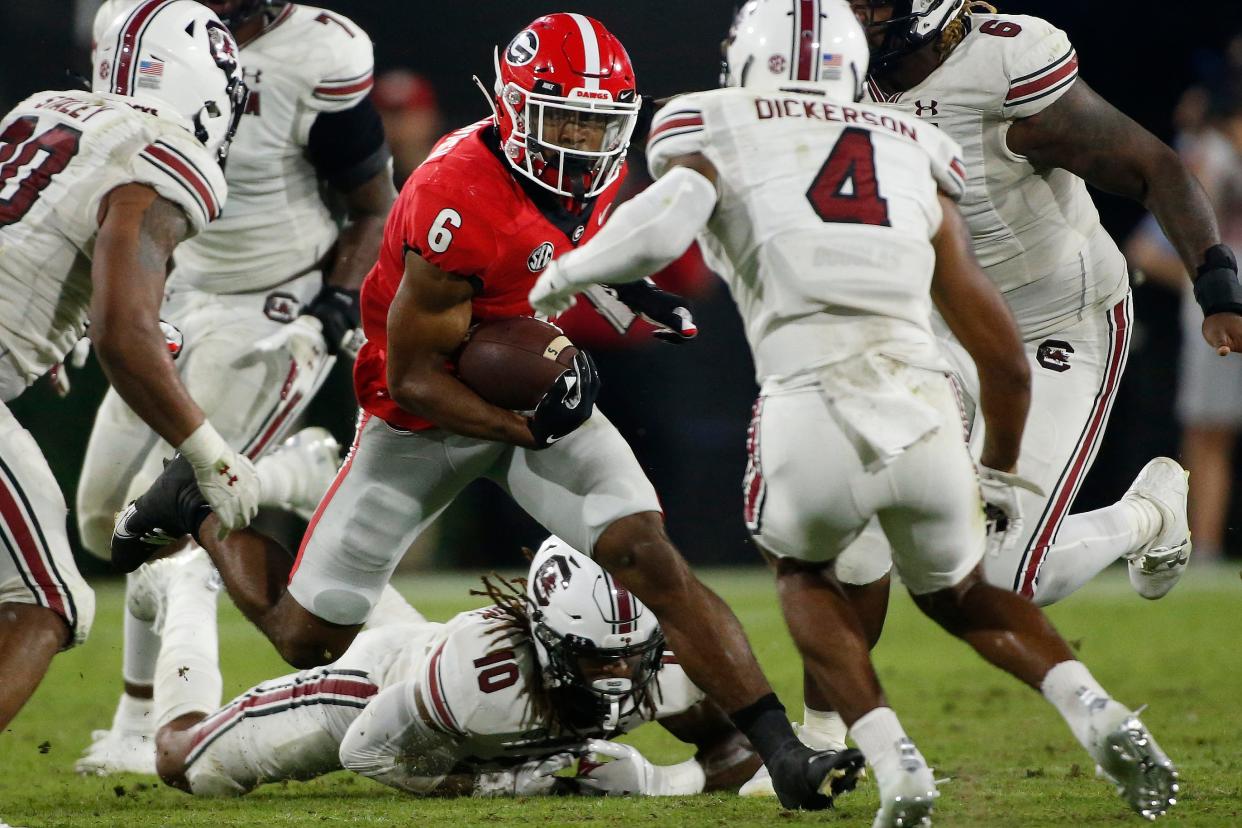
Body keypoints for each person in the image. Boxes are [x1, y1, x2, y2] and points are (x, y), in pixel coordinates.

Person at [110, 13, 862, 811]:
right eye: (563, 118)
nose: (579, 140)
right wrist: (522, 429)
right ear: (512, 105)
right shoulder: (451, 197)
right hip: (419, 415)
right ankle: (199, 508)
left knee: (650, 556)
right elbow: (413, 379)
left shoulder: (589, 169)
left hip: (523, 386)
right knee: (307, 638)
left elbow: (565, 248)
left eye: (596, 123)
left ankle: (782, 751)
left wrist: (624, 291)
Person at [528, 1, 1179, 824]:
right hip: (922, 403)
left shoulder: (712, 121)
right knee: (969, 592)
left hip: (810, 406)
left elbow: (665, 224)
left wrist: (570, 273)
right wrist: (999, 470)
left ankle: (891, 757)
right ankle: (1098, 712)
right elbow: (1001, 354)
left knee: (809, 576)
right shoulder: (914, 146)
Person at [737, 0, 1239, 784]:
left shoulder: (1004, 67)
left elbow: (1152, 166)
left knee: (1003, 576)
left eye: (872, 3)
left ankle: (1149, 512)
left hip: (1055, 324)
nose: (852, 16)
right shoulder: (831, 74)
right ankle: (824, 733)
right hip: (932, 329)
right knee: (855, 513)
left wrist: (1217, 279)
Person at [76, 0, 396, 775]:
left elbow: (373, 204)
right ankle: (300, 470)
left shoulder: (320, 51)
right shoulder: (135, 19)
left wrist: (333, 308)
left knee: (167, 510)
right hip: (174, 288)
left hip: (267, 300)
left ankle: (137, 719)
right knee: (97, 522)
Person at [0, 0, 257, 734]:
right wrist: (209, 452)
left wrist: (46, 310)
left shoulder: (46, 108)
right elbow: (126, 331)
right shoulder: (166, 153)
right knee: (45, 599)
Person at [137, 537, 760, 798]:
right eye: (597, 659)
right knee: (183, 763)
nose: (620, 675)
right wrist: (502, 784)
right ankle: (188, 577)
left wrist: (665, 781)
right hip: (370, 690)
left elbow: (729, 750)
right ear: (548, 640)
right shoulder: (479, 681)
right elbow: (365, 752)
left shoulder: (672, 668)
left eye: (632, 653)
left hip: (432, 669)